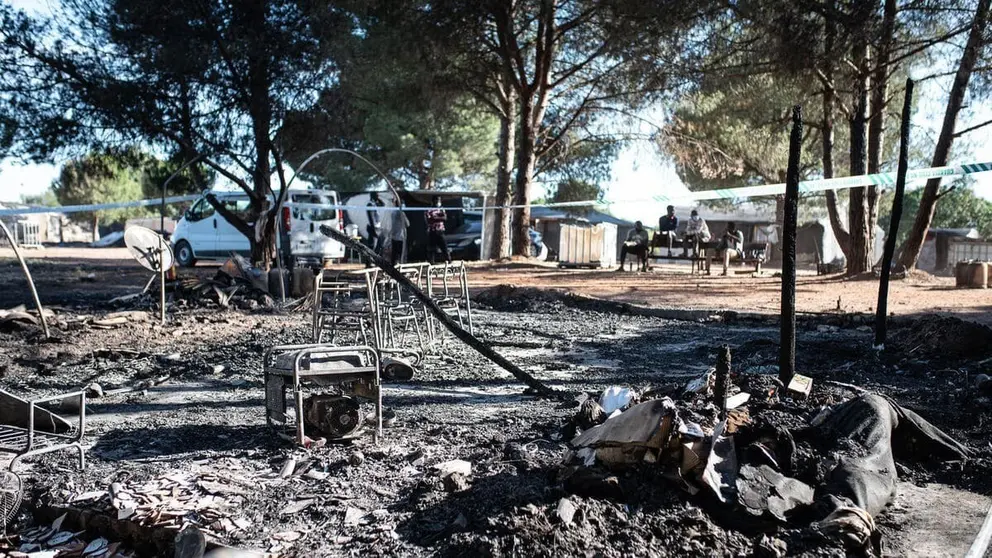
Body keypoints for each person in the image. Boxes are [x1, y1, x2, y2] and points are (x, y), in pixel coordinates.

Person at [425, 195, 451, 264]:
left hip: (440, 231)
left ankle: (449, 263)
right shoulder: (429, 210)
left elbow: (445, 218)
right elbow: (429, 220)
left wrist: (435, 217)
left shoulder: (441, 209)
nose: (438, 202)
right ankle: (431, 264)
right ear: (433, 201)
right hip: (432, 232)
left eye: (439, 200)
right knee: (431, 250)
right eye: (436, 200)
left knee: (445, 248)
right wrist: (438, 217)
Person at [389, 195, 410, 266]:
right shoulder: (400, 213)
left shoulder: (393, 212)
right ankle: (402, 268)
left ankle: (393, 267)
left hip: (394, 236)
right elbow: (407, 224)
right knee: (401, 254)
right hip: (401, 237)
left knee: (394, 255)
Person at [366, 191, 384, 257]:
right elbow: (371, 218)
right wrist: (374, 229)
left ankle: (374, 260)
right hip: (373, 228)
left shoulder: (375, 203)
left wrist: (378, 199)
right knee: (372, 245)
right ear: (373, 196)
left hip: (377, 227)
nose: (378, 197)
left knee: (378, 245)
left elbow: (383, 204)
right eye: (377, 195)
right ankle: (369, 262)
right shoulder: (370, 204)